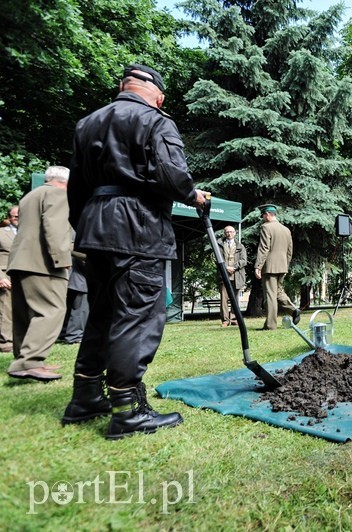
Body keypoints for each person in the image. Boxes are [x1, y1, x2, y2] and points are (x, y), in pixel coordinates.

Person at [64, 64, 208, 438]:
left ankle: (85, 397)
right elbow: (172, 176)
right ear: (158, 95)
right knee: (137, 316)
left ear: (123, 87)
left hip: (95, 227)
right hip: (137, 226)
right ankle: (127, 410)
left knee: (101, 312)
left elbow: (75, 188)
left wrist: (86, 227)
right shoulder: (156, 120)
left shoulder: (87, 123)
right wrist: (193, 194)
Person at [6, 166, 72, 381]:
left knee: (24, 315)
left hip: (19, 261)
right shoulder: (57, 194)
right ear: (66, 182)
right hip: (43, 263)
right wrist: (62, 259)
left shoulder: (29, 197)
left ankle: (23, 358)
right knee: (52, 311)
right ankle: (29, 362)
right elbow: (55, 227)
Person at [254, 204, 300, 330]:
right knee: (278, 292)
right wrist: (285, 264)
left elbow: (264, 248)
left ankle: (270, 325)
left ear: (268, 214)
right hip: (282, 266)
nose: (262, 217)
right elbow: (289, 251)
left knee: (270, 295)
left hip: (269, 267)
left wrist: (258, 266)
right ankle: (294, 310)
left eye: (263, 215)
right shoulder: (286, 230)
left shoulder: (266, 227)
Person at [217, 226, 247, 327]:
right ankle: (225, 320)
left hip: (236, 276)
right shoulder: (219, 245)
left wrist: (233, 267)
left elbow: (244, 260)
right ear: (224, 233)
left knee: (235, 299)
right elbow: (215, 258)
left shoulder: (240, 246)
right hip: (223, 276)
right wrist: (225, 267)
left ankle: (234, 319)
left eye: (231, 232)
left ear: (235, 233)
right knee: (223, 299)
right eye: (227, 232)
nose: (229, 234)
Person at [0, 205, 18, 353]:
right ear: (9, 217)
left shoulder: (30, 233)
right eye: (15, 216)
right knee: (5, 309)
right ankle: (5, 342)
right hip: (5, 275)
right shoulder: (1, 233)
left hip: (24, 274)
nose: (17, 218)